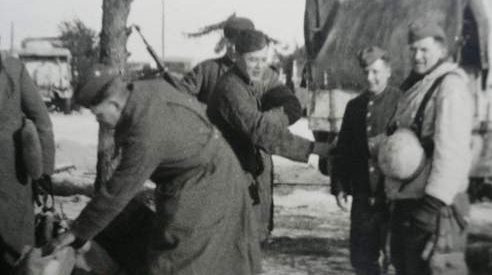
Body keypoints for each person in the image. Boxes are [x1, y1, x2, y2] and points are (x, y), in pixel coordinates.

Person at [51, 64, 261, 275]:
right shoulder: (146, 91)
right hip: (205, 176)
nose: (100, 122)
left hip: (206, 186)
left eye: (99, 115)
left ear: (114, 104)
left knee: (181, 261)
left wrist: (78, 230)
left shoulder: (145, 133)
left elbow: (118, 191)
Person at [207, 29, 327, 242]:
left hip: (250, 183)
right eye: (252, 59)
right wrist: (315, 149)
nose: (259, 65)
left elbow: (287, 108)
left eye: (263, 59)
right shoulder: (230, 89)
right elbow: (260, 131)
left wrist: (271, 119)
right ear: (236, 55)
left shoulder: (250, 82)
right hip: (232, 185)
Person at [384, 22, 473, 275]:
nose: (417, 56)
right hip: (409, 201)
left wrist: (431, 206)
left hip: (435, 206)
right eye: (412, 50)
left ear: (442, 50)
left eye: (424, 50)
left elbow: (452, 152)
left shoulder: (449, 87)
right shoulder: (419, 85)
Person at [331, 46, 400, 275]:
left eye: (376, 72)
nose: (370, 78)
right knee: (362, 260)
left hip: (393, 197)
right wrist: (339, 185)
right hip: (363, 198)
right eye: (367, 72)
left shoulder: (402, 103)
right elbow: (343, 151)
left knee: (397, 259)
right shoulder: (355, 107)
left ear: (389, 71)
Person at [0, 52, 56, 273]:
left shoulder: (14, 67)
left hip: (12, 171)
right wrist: (45, 173)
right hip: (13, 171)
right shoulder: (13, 67)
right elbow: (42, 120)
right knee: (19, 248)